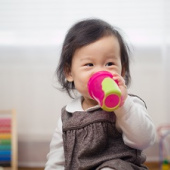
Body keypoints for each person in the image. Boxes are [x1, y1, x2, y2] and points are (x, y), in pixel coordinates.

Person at [45, 18, 156, 170]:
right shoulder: (67, 116)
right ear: (69, 72)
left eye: (109, 64)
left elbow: (144, 140)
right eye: (89, 64)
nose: (100, 72)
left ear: (121, 71)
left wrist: (123, 106)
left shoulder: (129, 105)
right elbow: (56, 161)